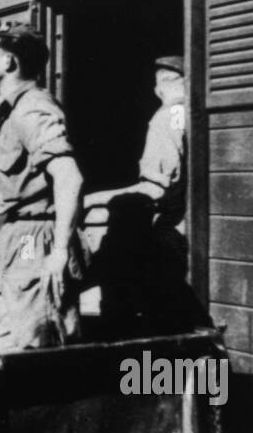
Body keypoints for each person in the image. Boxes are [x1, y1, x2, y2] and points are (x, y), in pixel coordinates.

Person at [84, 54, 212, 332]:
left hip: (165, 238)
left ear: (160, 88)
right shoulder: (191, 116)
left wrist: (92, 198)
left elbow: (154, 190)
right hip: (188, 234)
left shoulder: (165, 118)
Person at [0, 22, 85, 352]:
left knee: (31, 342)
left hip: (32, 238)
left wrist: (58, 252)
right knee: (5, 339)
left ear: (10, 62)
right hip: (19, 237)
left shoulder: (33, 108)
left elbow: (69, 177)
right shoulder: (14, 109)